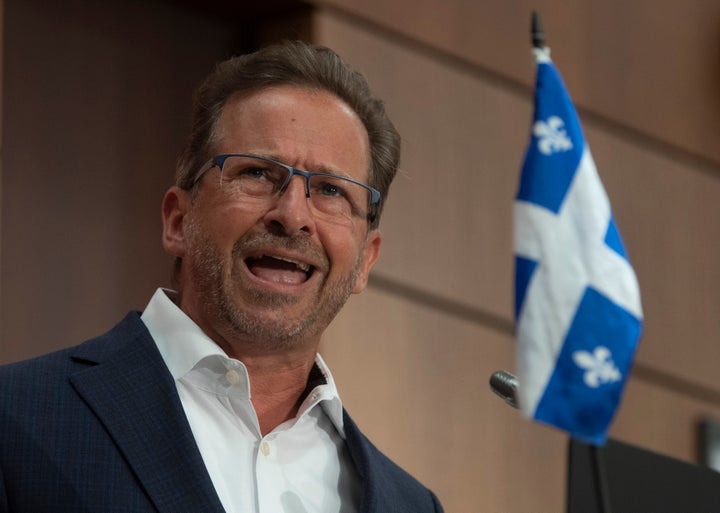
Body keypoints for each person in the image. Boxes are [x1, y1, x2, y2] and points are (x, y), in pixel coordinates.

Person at [0, 40, 443, 512]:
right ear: (177, 221)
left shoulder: (412, 505)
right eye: (257, 173)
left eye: (332, 190)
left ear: (365, 262)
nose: (293, 216)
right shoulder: (15, 417)